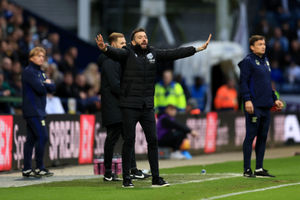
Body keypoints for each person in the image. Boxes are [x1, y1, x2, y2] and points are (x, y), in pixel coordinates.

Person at [96, 28, 211, 187]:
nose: (144, 39)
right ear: (133, 42)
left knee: (153, 141)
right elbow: (116, 54)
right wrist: (105, 48)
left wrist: (196, 49)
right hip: (129, 105)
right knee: (129, 141)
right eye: (140, 37)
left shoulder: (153, 53)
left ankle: (156, 178)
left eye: (145, 36)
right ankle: (127, 179)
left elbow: (174, 53)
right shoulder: (127, 52)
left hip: (147, 105)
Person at [98, 32, 150, 181]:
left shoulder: (118, 61)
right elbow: (115, 86)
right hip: (113, 107)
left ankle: (131, 169)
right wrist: (131, 94)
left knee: (128, 138)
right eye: (122, 43)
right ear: (113, 44)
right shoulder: (109, 61)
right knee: (113, 139)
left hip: (120, 105)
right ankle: (108, 172)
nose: (125, 45)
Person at [238, 35, 284, 178]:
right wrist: (247, 100)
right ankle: (247, 169)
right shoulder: (248, 61)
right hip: (254, 105)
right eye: (259, 44)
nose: (263, 46)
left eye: (264, 44)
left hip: (265, 105)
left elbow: (266, 85)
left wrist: (275, 98)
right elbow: (243, 82)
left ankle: (259, 168)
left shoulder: (265, 61)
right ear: (252, 47)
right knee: (251, 136)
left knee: (263, 137)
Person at [21, 46, 56, 177]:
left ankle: (27, 168)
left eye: (43, 56)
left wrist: (45, 84)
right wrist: (46, 83)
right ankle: (40, 166)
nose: (42, 58)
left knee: (31, 139)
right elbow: (40, 89)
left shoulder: (40, 73)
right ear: (31, 57)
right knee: (43, 136)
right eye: (39, 56)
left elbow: (53, 87)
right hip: (32, 109)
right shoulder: (28, 72)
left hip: (39, 110)